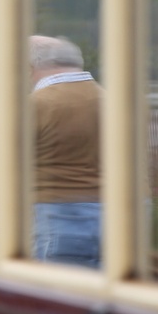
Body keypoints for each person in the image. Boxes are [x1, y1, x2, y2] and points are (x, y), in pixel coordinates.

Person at [29, 35, 101, 268]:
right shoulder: (114, 100)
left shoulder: (36, 104)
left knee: (57, 288)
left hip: (60, 216)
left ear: (29, 68)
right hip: (123, 218)